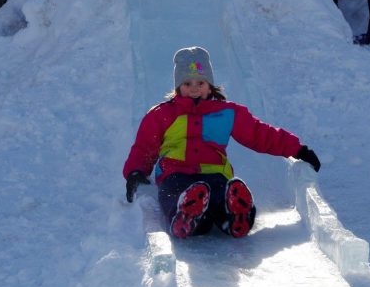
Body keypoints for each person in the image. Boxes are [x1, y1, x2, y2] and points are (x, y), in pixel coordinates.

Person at [123, 47, 321, 239]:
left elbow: (259, 133)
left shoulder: (227, 112)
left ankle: (235, 216)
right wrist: (135, 172)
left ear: (210, 85)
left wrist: (297, 149)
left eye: (200, 83)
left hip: (214, 173)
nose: (194, 89)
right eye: (187, 83)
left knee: (221, 194)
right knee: (172, 194)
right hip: (175, 173)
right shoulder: (162, 114)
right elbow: (144, 147)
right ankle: (185, 215)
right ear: (177, 87)